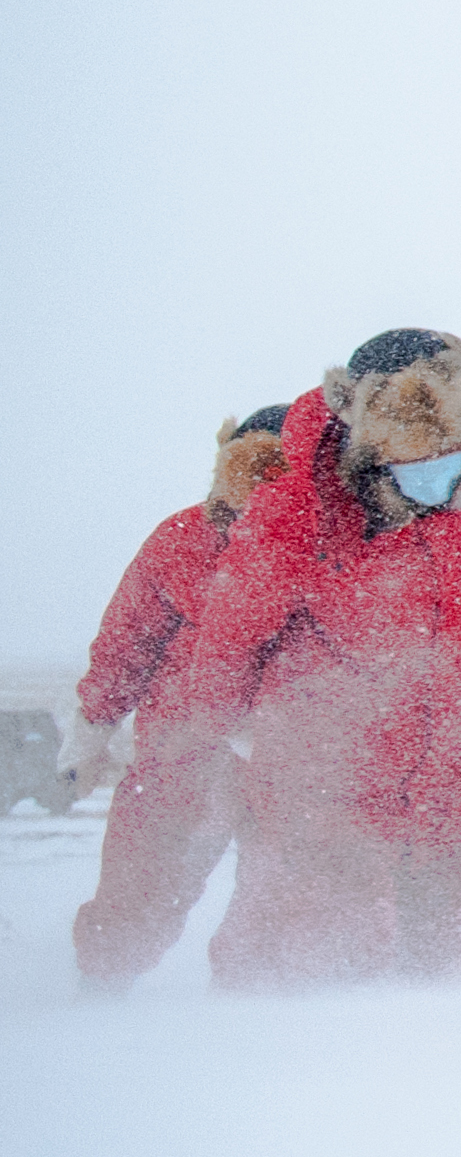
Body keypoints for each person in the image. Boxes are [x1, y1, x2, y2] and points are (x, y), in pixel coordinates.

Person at [157, 330, 461, 988]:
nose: (441, 469)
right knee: (311, 935)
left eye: (452, 452)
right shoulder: (299, 504)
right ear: (369, 441)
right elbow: (232, 636)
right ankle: (267, 1045)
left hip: (456, 746)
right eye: (417, 457)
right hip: (324, 760)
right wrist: (223, 727)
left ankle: (436, 1054)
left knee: (443, 924)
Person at [65, 403, 292, 986]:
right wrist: (93, 728)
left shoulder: (331, 548)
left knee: (278, 906)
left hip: (292, 763)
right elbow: (126, 643)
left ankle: (249, 1020)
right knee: (141, 890)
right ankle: (99, 991)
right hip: (183, 753)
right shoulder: (183, 539)